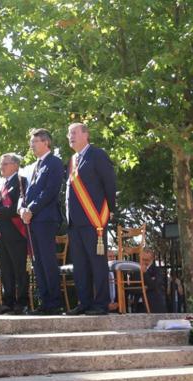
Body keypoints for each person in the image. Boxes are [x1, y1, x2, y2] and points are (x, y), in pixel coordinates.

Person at [65, 122, 116, 316]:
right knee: (80, 265)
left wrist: (111, 209)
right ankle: (84, 302)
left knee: (96, 262)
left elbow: (109, 183)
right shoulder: (72, 160)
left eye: (74, 133)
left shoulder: (97, 154)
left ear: (86, 134)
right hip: (75, 222)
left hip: (94, 219)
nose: (70, 136)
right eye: (68, 134)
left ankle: (101, 303)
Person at [19, 128, 64, 315]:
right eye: (31, 142)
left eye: (35, 141)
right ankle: (44, 301)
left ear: (46, 142)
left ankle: (54, 302)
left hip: (45, 219)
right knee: (37, 262)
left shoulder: (54, 162)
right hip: (32, 220)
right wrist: (22, 208)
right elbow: (26, 192)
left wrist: (31, 209)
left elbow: (50, 191)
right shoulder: (34, 165)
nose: (31, 145)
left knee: (47, 260)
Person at [0, 154, 29, 315]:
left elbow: (21, 205)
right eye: (1, 164)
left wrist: (1, 211)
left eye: (5, 163)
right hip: (0, 234)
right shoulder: (0, 186)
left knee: (19, 269)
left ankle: (21, 303)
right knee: (6, 270)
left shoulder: (21, 181)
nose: (1, 166)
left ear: (15, 165)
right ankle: (8, 302)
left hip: (16, 232)